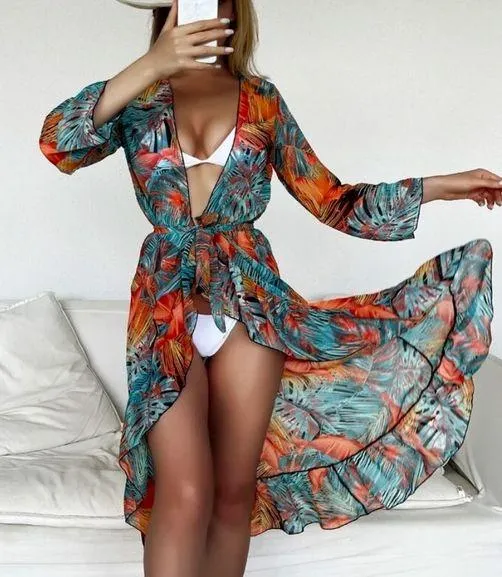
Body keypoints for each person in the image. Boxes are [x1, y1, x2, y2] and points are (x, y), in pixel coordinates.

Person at [39, 1, 499, 576]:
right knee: (184, 493)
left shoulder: (261, 100)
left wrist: (440, 186)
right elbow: (57, 143)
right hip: (164, 308)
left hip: (252, 308)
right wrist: (152, 63)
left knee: (234, 496)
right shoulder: (138, 95)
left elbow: (334, 201)